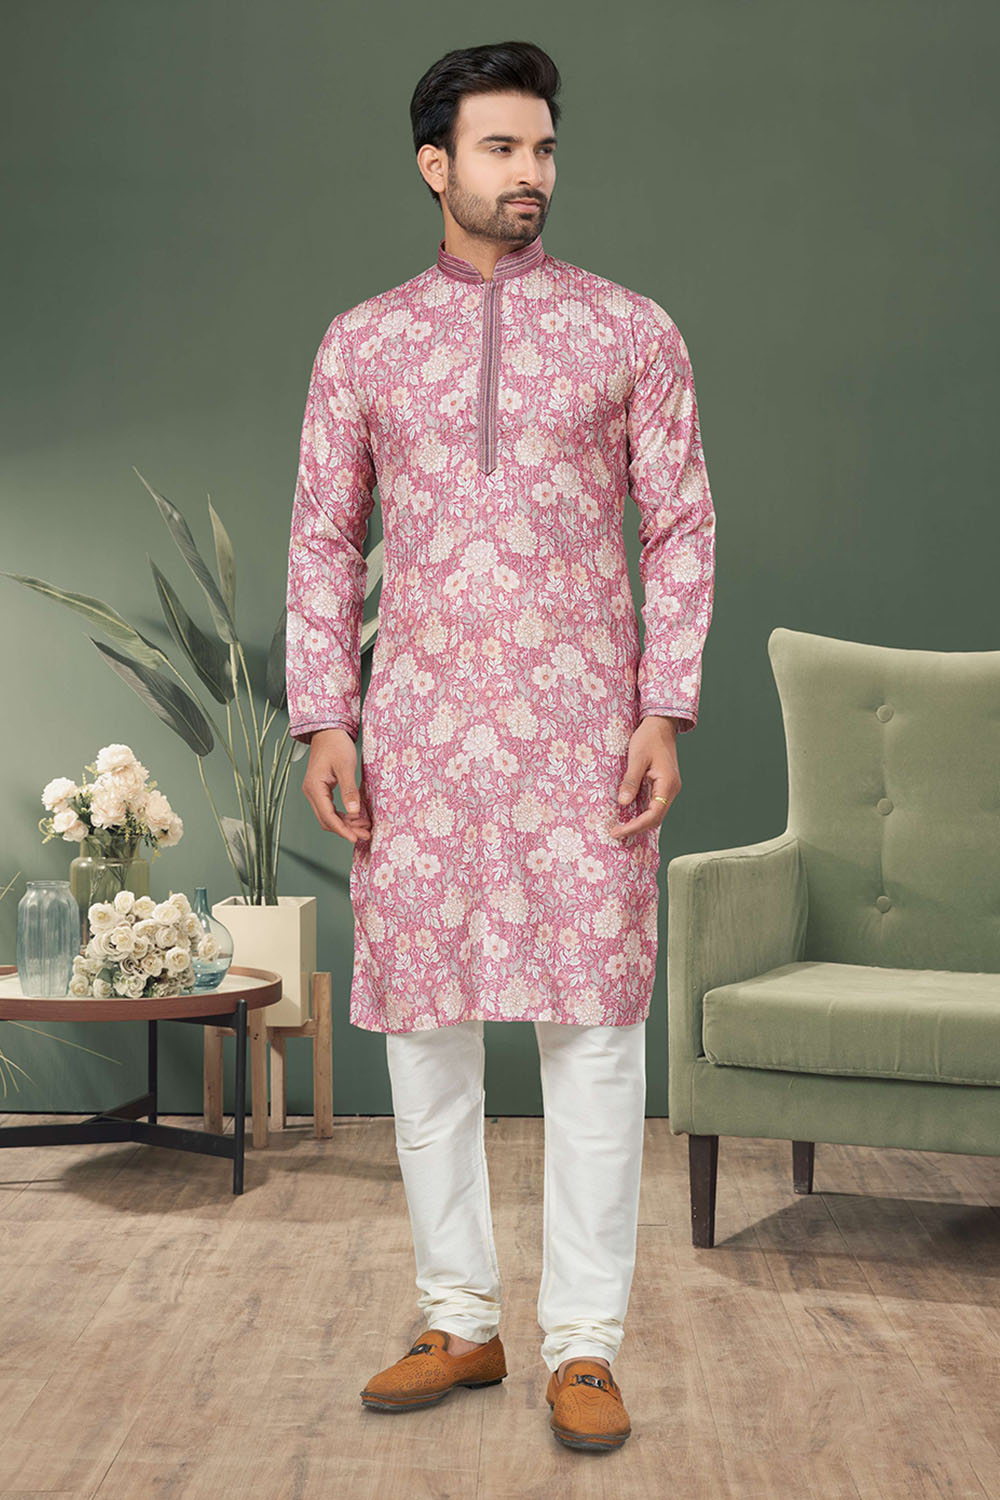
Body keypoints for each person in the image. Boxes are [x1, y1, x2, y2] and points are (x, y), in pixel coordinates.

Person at [285, 40, 716, 1452]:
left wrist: (664, 704)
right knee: (427, 1035)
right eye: (501, 149)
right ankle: (459, 1319)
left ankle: (585, 1346)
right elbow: (323, 536)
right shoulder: (363, 342)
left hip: (587, 736)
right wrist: (327, 715)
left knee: (593, 1037)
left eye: (543, 149)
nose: (532, 173)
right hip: (416, 736)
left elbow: (681, 525)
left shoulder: (628, 330)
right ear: (436, 165)